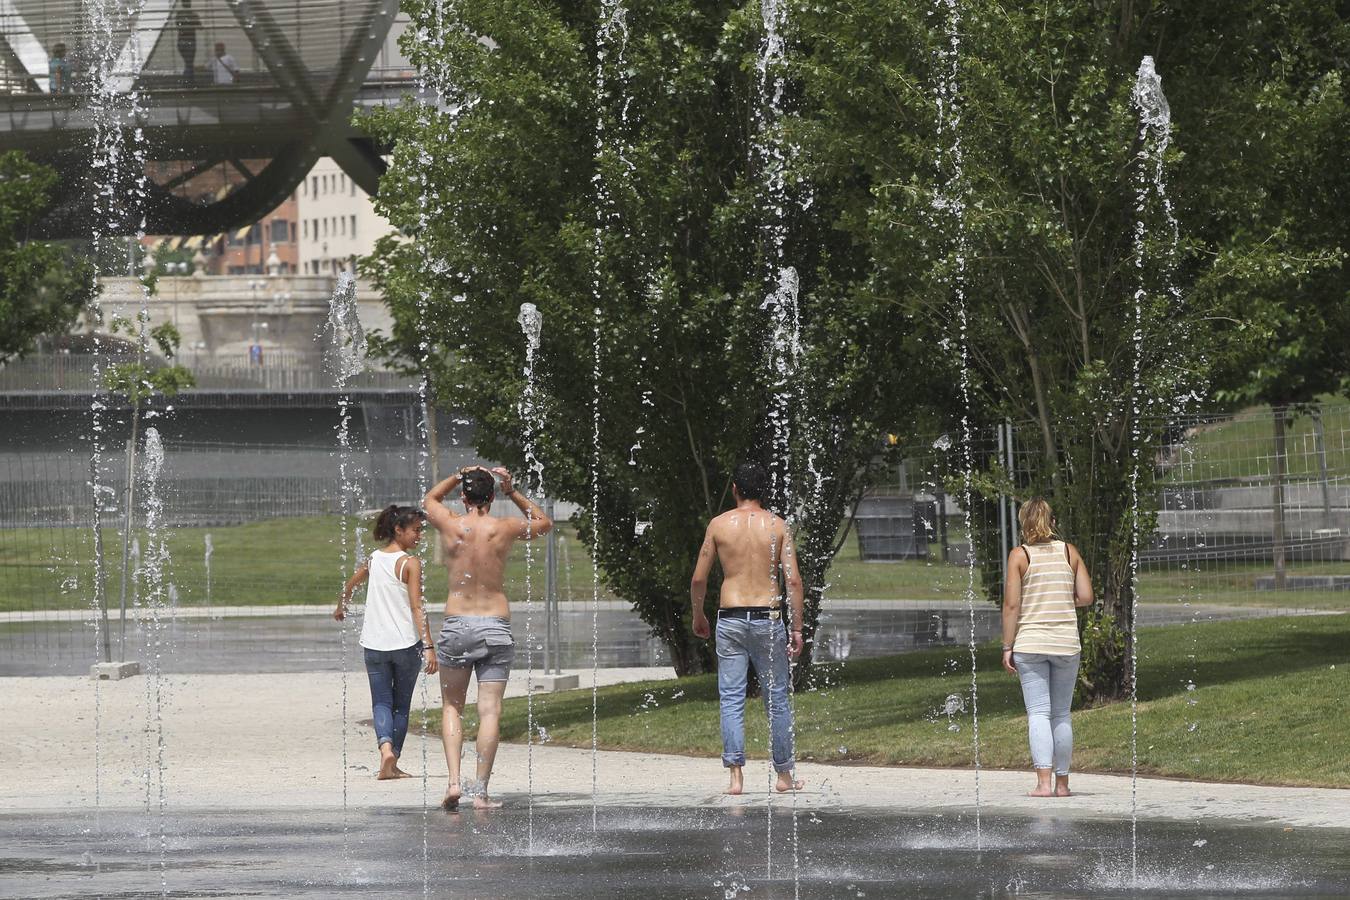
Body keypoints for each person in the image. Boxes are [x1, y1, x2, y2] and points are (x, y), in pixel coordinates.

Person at [423, 465, 552, 810]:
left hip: (457, 625)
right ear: (492, 497)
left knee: (452, 706)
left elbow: (430, 500)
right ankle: (479, 792)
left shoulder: (451, 524)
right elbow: (543, 522)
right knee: (490, 711)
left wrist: (456, 474)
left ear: (464, 496)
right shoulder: (504, 528)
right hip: (495, 625)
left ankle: (453, 782)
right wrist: (513, 491)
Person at [691, 461, 805, 796]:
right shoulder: (778, 525)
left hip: (729, 617)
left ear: (735, 490)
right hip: (769, 617)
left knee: (731, 697)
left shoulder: (718, 525)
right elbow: (793, 580)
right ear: (763, 491)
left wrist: (699, 615)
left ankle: (736, 777)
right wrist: (796, 627)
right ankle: (784, 776)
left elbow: (699, 578)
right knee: (778, 699)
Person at [334, 505, 438, 781]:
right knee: (401, 704)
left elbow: (351, 583)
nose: (419, 536)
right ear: (398, 530)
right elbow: (418, 608)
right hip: (406, 644)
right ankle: (393, 762)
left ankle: (385, 750)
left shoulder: (374, 559)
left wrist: (341, 606)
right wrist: (428, 645)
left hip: (374, 644)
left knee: (381, 701)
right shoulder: (410, 563)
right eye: (416, 530)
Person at [1000, 497, 1095, 798]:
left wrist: (1007, 646)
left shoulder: (1020, 556)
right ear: (1052, 523)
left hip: (1030, 643)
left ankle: (1043, 784)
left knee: (1038, 713)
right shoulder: (1070, 552)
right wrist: (1063, 603)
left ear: (1024, 525)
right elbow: (1086, 597)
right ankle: (1063, 785)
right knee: (1062, 714)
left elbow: (1012, 605)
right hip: (1066, 643)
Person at [175, 0, 200, 84]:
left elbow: (177, 25)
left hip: (181, 41)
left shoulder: (179, 14)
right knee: (189, 63)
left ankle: (188, 81)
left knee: (188, 63)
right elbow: (199, 26)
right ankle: (188, 82)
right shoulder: (193, 14)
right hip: (190, 41)